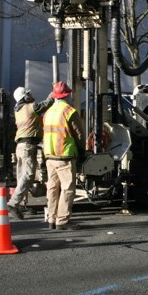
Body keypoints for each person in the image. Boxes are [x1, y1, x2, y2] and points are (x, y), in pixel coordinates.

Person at [43, 81, 84, 230]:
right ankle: (63, 221)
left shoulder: (48, 112)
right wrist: (83, 151)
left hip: (49, 155)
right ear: (67, 95)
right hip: (64, 155)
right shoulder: (69, 111)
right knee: (67, 188)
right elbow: (79, 134)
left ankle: (51, 219)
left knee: (52, 188)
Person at [7, 87, 53, 220]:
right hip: (28, 146)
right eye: (29, 94)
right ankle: (14, 203)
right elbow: (47, 103)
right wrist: (54, 92)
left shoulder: (19, 109)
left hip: (21, 146)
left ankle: (21, 205)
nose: (32, 95)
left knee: (21, 176)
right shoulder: (30, 107)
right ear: (25, 97)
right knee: (28, 175)